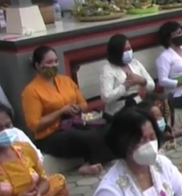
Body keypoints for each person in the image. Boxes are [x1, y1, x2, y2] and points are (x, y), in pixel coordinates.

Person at [21, 46, 114, 175]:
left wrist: (77, 108)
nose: (53, 65)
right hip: (50, 135)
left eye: (55, 61)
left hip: (75, 123)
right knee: (88, 136)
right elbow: (34, 125)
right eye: (49, 62)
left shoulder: (65, 80)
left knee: (108, 126)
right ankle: (90, 164)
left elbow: (83, 104)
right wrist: (60, 112)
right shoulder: (31, 91)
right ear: (38, 65)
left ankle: (96, 161)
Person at [101, 34, 155, 116]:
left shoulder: (135, 63)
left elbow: (152, 86)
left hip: (138, 105)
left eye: (129, 49)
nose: (128, 52)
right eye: (124, 50)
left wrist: (142, 81)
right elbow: (106, 97)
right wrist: (125, 86)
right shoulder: (108, 69)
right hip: (119, 112)